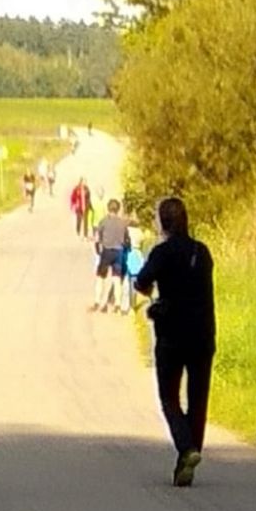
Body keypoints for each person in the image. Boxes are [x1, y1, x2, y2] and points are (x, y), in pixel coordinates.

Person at [133, 196, 215, 487]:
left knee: (169, 397)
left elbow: (141, 282)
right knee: (198, 399)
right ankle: (188, 457)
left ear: (163, 223)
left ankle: (187, 448)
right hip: (203, 334)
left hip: (171, 335)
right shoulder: (202, 252)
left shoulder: (163, 252)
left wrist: (153, 296)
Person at [90, 198, 128, 312]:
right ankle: (117, 304)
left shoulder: (103, 221)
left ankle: (97, 301)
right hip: (119, 251)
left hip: (106, 251)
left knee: (100, 277)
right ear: (118, 209)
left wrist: (97, 250)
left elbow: (97, 238)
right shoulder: (122, 223)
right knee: (116, 278)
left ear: (108, 209)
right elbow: (126, 240)